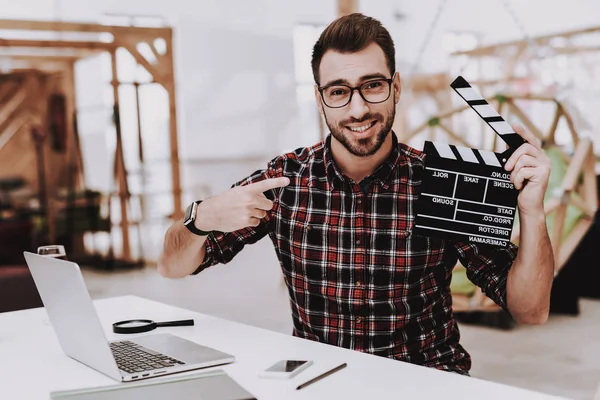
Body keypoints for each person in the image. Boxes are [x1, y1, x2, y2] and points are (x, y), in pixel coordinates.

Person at [158, 13, 554, 375]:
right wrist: (201, 217)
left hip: (428, 384)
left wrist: (532, 212)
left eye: (373, 86)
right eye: (338, 92)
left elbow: (530, 310)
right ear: (320, 99)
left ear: (395, 87)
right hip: (319, 381)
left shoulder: (442, 181)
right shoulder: (285, 181)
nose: (358, 108)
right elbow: (172, 267)